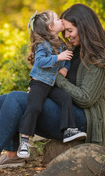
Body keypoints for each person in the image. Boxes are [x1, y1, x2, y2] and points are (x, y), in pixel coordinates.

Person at [0, 3, 105, 176]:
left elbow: (86, 98)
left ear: (83, 27)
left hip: (81, 122)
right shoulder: (73, 50)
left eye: (70, 31)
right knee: (3, 101)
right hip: (62, 110)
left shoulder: (98, 58)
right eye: (64, 31)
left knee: (15, 99)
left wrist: (54, 77)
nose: (66, 35)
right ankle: (13, 155)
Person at [17, 10, 86, 159]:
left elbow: (66, 58)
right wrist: (57, 58)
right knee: (34, 106)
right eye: (57, 19)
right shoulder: (42, 44)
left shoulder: (61, 43)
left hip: (52, 83)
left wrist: (64, 68)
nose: (62, 20)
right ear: (50, 27)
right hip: (40, 83)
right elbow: (40, 62)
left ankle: (68, 129)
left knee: (65, 98)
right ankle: (24, 140)